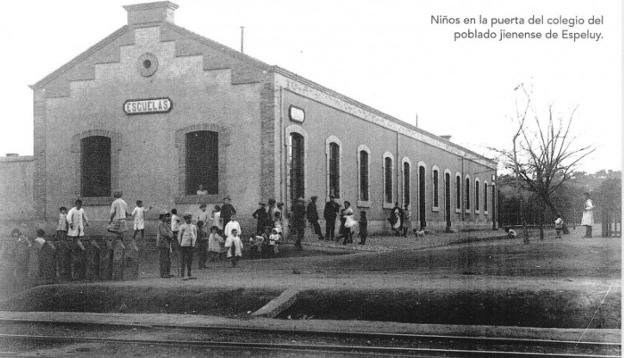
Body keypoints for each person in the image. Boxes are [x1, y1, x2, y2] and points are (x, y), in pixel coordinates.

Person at [67, 199, 88, 279]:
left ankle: (77, 245)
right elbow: (68, 217)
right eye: (78, 205)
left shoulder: (82, 210)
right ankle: (76, 246)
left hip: (79, 225)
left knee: (79, 235)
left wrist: (86, 221)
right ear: (76, 204)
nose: (79, 206)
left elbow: (84, 215)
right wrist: (70, 223)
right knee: (74, 236)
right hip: (74, 225)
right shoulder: (72, 210)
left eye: (80, 205)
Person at [177, 213, 197, 279]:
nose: (189, 219)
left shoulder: (193, 226)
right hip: (184, 245)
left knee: (190, 260)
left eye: (190, 218)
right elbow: (179, 236)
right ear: (185, 219)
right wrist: (179, 244)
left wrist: (194, 243)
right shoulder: (182, 226)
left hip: (191, 245)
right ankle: (182, 274)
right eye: (187, 218)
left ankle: (189, 273)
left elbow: (195, 235)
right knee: (183, 260)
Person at [156, 211, 173, 278]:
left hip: (166, 243)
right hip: (162, 243)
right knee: (163, 258)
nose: (166, 218)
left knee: (167, 258)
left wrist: (170, 234)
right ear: (162, 217)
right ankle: (163, 274)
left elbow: (170, 231)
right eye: (165, 216)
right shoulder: (160, 224)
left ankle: (167, 272)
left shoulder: (164, 224)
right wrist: (170, 235)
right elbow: (165, 233)